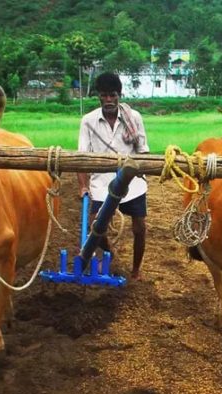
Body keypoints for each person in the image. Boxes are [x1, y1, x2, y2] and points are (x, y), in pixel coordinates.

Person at [77, 73, 149, 280]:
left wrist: (143, 171)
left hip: (132, 184)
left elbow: (143, 152)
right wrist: (83, 186)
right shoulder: (88, 121)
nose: (109, 100)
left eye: (113, 95)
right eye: (104, 95)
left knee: (140, 227)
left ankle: (136, 270)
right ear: (98, 97)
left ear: (119, 95)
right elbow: (81, 158)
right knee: (95, 225)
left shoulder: (133, 118)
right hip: (101, 183)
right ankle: (109, 253)